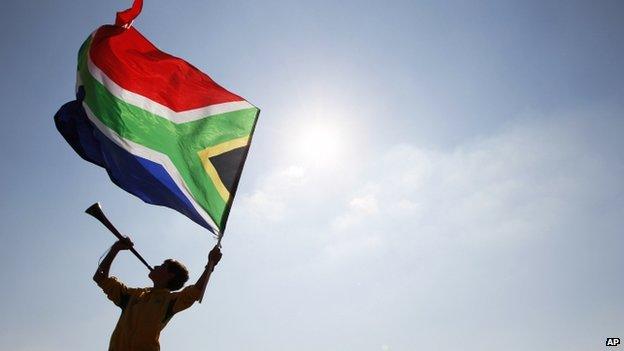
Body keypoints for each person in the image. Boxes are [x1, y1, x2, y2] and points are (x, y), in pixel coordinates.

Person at [93, 236, 222, 351]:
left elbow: (195, 292)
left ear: (170, 275)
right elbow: (100, 277)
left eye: (161, 266)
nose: (155, 266)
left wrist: (210, 264)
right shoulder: (133, 295)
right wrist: (115, 249)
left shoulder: (170, 300)